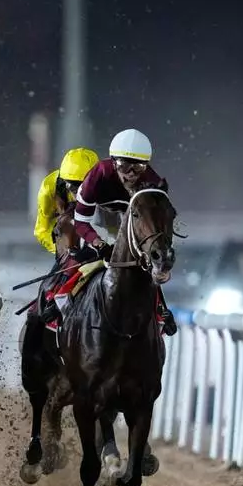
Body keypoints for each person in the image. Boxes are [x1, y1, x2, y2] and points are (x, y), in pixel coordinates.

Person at [70, 128, 177, 335]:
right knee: (81, 258)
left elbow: (157, 223)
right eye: (124, 165)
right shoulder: (98, 175)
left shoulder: (151, 182)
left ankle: (160, 310)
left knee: (144, 265)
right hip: (96, 218)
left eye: (138, 167)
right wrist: (98, 244)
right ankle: (57, 302)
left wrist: (159, 264)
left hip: (128, 219)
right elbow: (81, 222)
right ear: (113, 162)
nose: (130, 174)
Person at [33, 147, 99, 253]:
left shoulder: (106, 185)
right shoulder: (49, 188)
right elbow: (42, 230)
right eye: (73, 187)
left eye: (84, 186)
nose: (79, 192)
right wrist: (62, 251)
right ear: (64, 182)